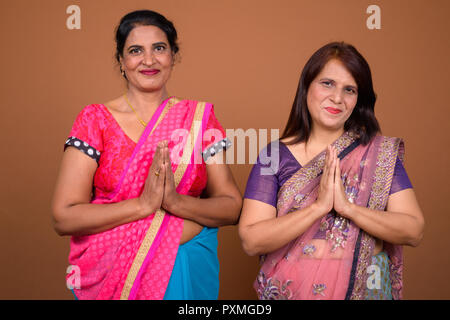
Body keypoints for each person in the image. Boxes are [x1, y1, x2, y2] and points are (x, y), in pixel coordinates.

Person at [51, 10, 241, 300]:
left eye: (159, 48)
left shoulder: (199, 119)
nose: (149, 60)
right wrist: (143, 205)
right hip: (112, 272)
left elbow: (231, 207)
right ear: (121, 61)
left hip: (187, 269)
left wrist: (175, 201)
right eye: (136, 50)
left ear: (173, 56)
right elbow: (64, 217)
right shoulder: (95, 120)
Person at [238, 42, 424, 300]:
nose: (337, 98)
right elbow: (252, 239)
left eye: (349, 89)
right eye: (327, 83)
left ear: (359, 99)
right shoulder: (274, 156)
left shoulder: (378, 155)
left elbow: (413, 230)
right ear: (307, 87)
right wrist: (319, 207)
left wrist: (348, 208)